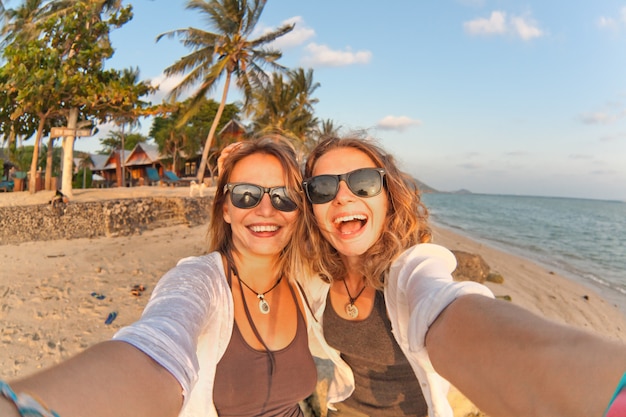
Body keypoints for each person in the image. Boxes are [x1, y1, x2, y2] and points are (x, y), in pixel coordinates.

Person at [299, 135, 626, 417]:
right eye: (323, 187)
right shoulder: (318, 276)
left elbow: (443, 306)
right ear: (311, 207)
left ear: (389, 197)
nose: (343, 196)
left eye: (363, 182)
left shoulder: (410, 271)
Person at [0, 136, 317, 417]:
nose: (265, 209)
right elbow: (158, 346)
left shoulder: (308, 282)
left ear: (300, 208)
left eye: (283, 196)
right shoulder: (197, 281)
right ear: (224, 208)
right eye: (246, 195)